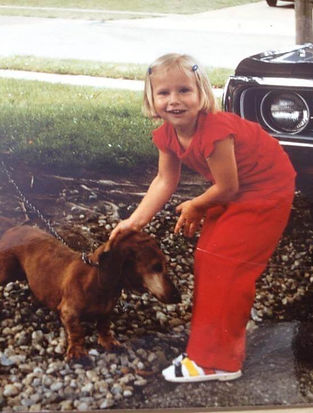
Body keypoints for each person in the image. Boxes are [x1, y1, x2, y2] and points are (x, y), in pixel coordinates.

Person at [109, 53, 296, 383]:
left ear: (202, 94)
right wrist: (134, 221)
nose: (174, 101)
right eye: (164, 93)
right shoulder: (167, 134)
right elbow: (165, 181)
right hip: (236, 189)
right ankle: (207, 349)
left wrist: (198, 206)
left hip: (265, 190)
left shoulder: (216, 131)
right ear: (151, 98)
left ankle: (219, 362)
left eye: (184, 91)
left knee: (226, 266)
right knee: (208, 260)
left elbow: (227, 186)